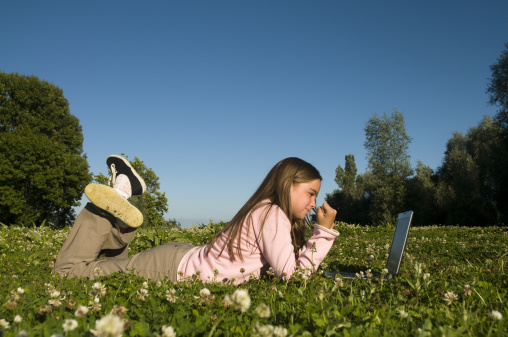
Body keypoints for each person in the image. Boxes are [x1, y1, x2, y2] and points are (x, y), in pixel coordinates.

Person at [53, 155, 339, 284]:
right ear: (288, 184)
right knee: (67, 273)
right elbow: (294, 276)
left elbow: (286, 263)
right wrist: (323, 233)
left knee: (105, 269)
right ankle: (111, 201)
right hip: (171, 269)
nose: (314, 203)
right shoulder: (272, 214)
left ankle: (121, 197)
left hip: (181, 258)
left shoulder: (266, 210)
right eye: (311, 193)